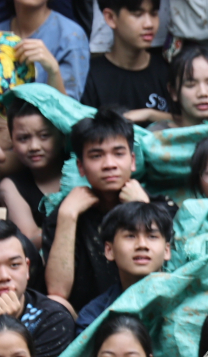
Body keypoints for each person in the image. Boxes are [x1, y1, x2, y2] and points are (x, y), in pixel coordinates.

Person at [45, 109, 152, 314]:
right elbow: (58, 293)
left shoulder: (157, 206)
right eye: (96, 156)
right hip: (86, 323)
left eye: (118, 154)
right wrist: (68, 217)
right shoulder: (66, 213)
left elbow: (166, 280)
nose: (109, 164)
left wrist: (143, 211)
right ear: (81, 167)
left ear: (132, 161)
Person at [0, 216, 78, 357]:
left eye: (14, 265)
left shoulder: (52, 320)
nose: (4, 276)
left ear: (27, 268)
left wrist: (7, 326)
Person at [74, 200, 172, 329]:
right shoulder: (94, 317)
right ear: (109, 250)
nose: (142, 245)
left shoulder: (189, 299)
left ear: (166, 250)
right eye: (130, 236)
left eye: (152, 236)